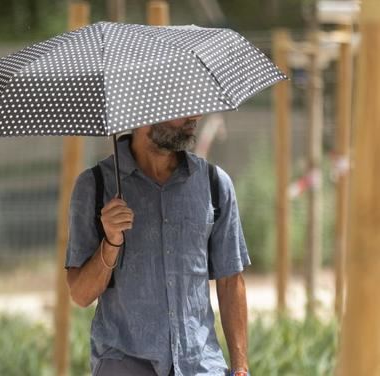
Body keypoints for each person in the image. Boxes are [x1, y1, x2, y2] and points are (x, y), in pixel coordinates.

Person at [65, 115, 251, 376]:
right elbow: (80, 294)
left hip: (201, 366)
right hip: (124, 363)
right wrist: (111, 242)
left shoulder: (214, 183)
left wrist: (241, 368)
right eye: (181, 108)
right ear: (143, 114)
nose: (194, 117)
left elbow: (231, 280)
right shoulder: (95, 186)